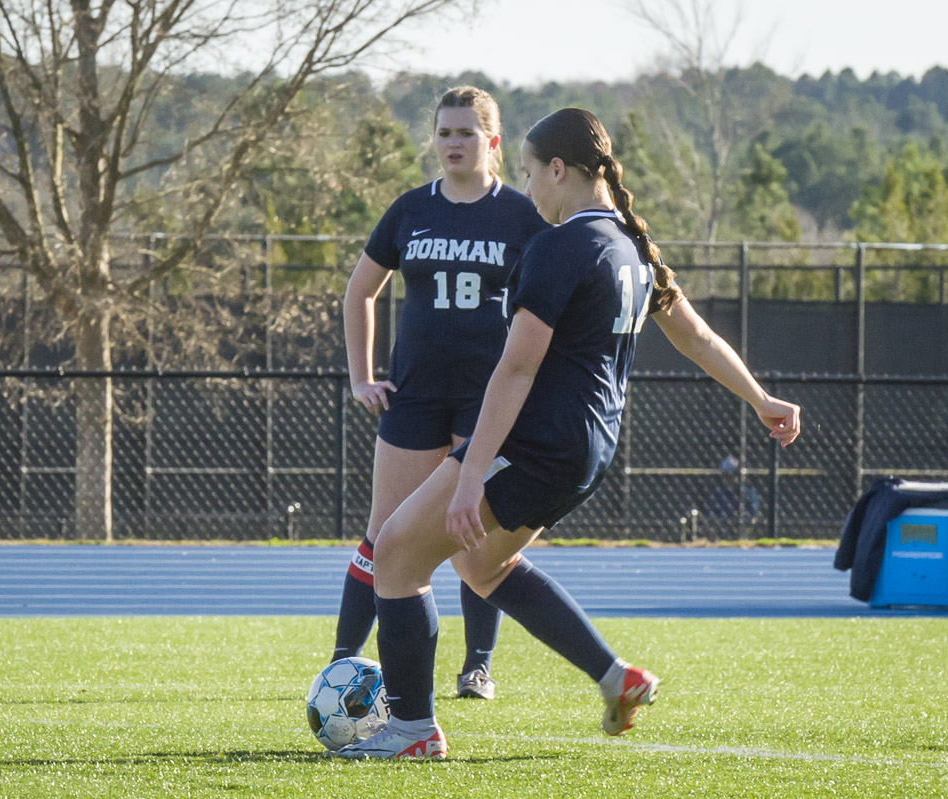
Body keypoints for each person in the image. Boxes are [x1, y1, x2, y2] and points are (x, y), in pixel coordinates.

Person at [331, 107, 801, 759]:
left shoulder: (561, 245)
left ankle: (412, 729)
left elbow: (518, 366)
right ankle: (618, 678)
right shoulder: (634, 245)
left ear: (559, 169)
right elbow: (696, 335)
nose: (528, 189)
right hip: (588, 448)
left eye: (529, 172)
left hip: (535, 441)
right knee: (481, 562)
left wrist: (469, 475)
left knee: (397, 556)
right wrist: (760, 397)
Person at [331, 86, 552, 701]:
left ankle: (476, 666)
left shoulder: (521, 214)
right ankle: (341, 662)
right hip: (416, 395)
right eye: (444, 132)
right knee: (384, 532)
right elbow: (359, 293)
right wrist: (360, 376)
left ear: (493, 141)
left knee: (470, 536)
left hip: (487, 400)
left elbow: (554, 302)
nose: (453, 143)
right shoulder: (409, 210)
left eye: (466, 133)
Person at [707, 455, 762, 533]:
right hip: (722, 531)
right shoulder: (718, 494)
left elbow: (753, 516)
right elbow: (713, 516)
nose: (729, 478)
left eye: (731, 474)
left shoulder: (749, 493)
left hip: (744, 530)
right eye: (725, 475)